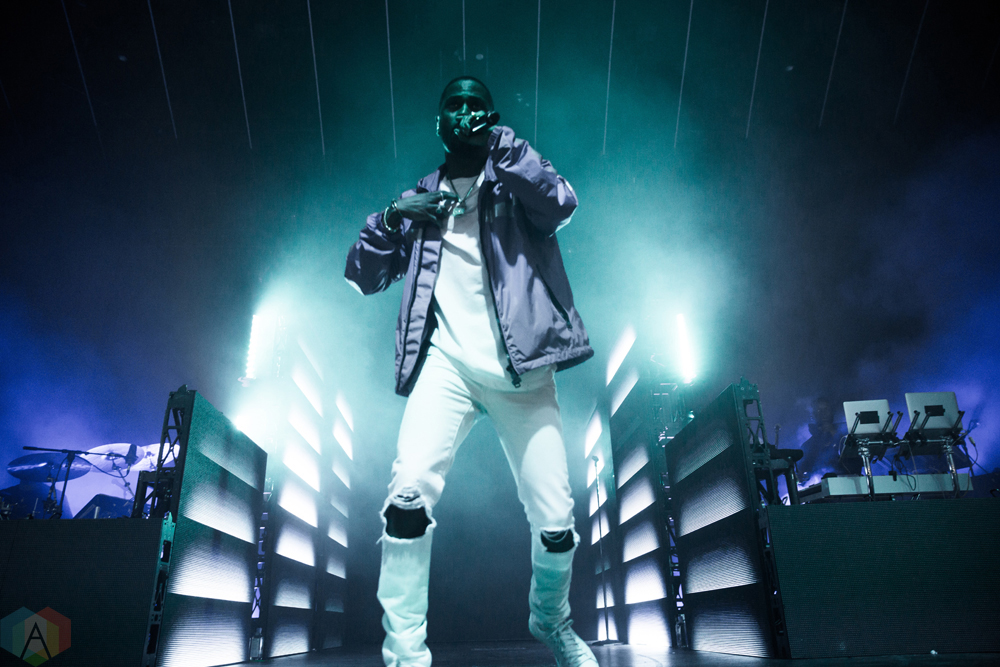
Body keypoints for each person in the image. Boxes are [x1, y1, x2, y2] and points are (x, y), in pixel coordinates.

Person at [345, 76, 597, 667]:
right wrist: (392, 215)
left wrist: (502, 147)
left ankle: (551, 620)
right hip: (447, 367)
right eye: (453, 106)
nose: (464, 113)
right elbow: (362, 276)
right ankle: (405, 656)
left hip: (522, 370)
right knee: (406, 498)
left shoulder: (514, 180)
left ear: (493, 116)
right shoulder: (419, 200)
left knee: (556, 521)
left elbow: (561, 203)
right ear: (437, 123)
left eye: (476, 105)